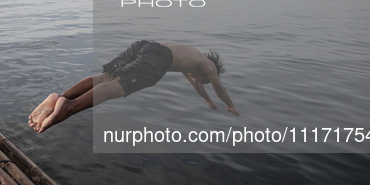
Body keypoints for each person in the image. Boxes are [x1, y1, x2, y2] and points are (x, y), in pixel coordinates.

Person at [28, 40, 239, 133]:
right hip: (157, 58)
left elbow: (196, 85)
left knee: (106, 77)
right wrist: (229, 105)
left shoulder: (192, 56)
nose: (196, 79)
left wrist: (207, 100)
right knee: (119, 86)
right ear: (211, 72)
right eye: (202, 79)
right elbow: (220, 88)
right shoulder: (209, 65)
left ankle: (61, 97)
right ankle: (68, 106)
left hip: (144, 46)